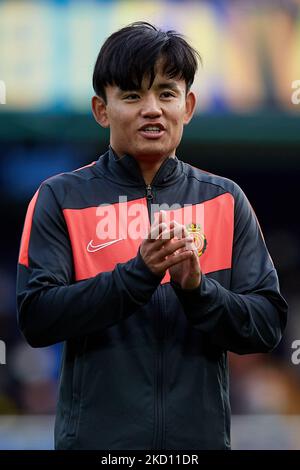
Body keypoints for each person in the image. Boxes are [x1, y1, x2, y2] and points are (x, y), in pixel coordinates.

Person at [16, 21, 287, 450]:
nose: (152, 109)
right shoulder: (59, 198)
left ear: (189, 105)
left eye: (166, 93)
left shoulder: (226, 200)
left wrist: (198, 290)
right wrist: (137, 275)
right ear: (101, 109)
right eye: (131, 95)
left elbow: (266, 326)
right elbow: (36, 318)